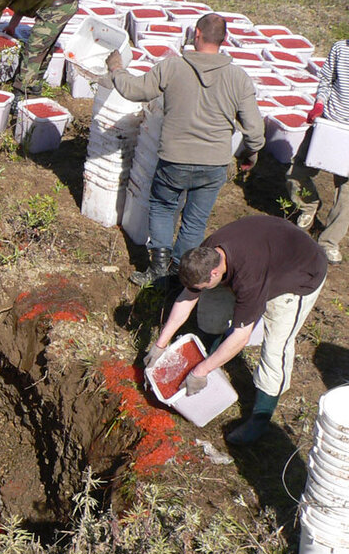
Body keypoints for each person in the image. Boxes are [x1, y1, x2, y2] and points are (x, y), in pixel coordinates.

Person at [100, 13, 265, 286]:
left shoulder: (173, 67)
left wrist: (117, 68)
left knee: (164, 207)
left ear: (196, 35)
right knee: (194, 221)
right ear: (223, 41)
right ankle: (180, 272)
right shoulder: (239, 78)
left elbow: (133, 90)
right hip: (214, 165)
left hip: (174, 160)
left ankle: (158, 270)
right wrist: (250, 154)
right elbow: (255, 131)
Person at [145, 216, 327, 445]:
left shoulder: (249, 279)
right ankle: (211, 363)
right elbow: (188, 296)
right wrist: (160, 345)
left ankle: (260, 418)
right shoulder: (207, 253)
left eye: (201, 286)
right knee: (211, 314)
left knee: (276, 348)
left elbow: (242, 336)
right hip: (269, 248)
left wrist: (199, 371)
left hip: (299, 276)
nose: (197, 290)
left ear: (214, 274)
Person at [286, 38, 349, 265]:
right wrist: (319, 104)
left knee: (347, 194)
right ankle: (308, 206)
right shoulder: (340, 48)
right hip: (328, 123)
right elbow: (326, 79)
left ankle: (329, 241)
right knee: (297, 172)